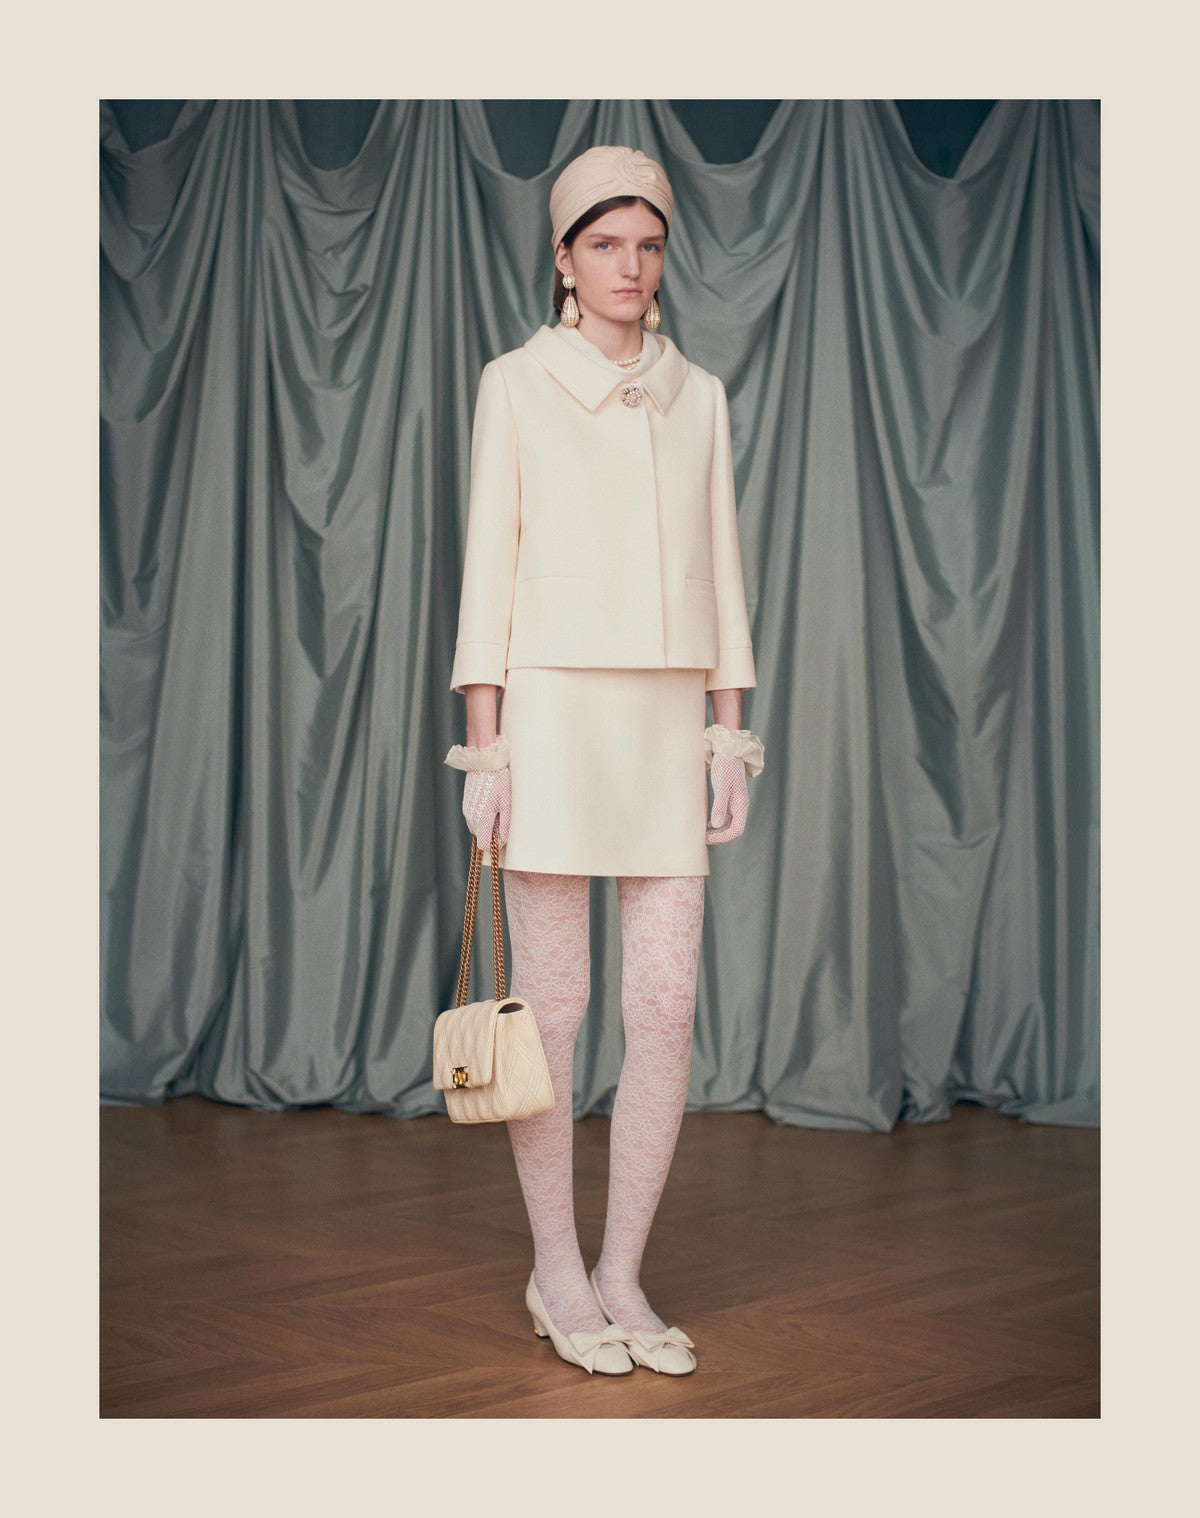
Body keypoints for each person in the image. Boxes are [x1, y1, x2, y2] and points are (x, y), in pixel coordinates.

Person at [444, 144, 764, 1377]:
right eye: (605, 244)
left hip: (666, 718)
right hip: (552, 718)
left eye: (649, 244)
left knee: (667, 1006)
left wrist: (727, 735)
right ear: (565, 259)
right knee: (560, 1010)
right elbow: (488, 568)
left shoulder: (701, 396)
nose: (630, 266)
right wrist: (485, 750)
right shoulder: (515, 384)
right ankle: (559, 1273)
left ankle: (623, 1270)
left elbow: (724, 572)